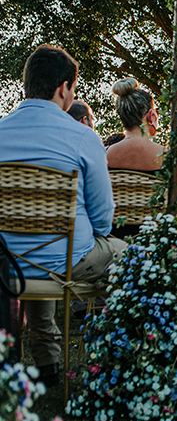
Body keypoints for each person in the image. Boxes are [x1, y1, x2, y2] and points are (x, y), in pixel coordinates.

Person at [0, 45, 125, 385]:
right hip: (66, 261)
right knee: (128, 256)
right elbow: (103, 220)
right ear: (63, 89)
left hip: (8, 265)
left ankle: (47, 362)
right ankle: (118, 356)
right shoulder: (83, 137)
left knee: (39, 253)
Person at [106, 78, 177, 224]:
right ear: (151, 116)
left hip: (113, 237)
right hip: (154, 240)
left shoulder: (104, 155)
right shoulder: (171, 157)